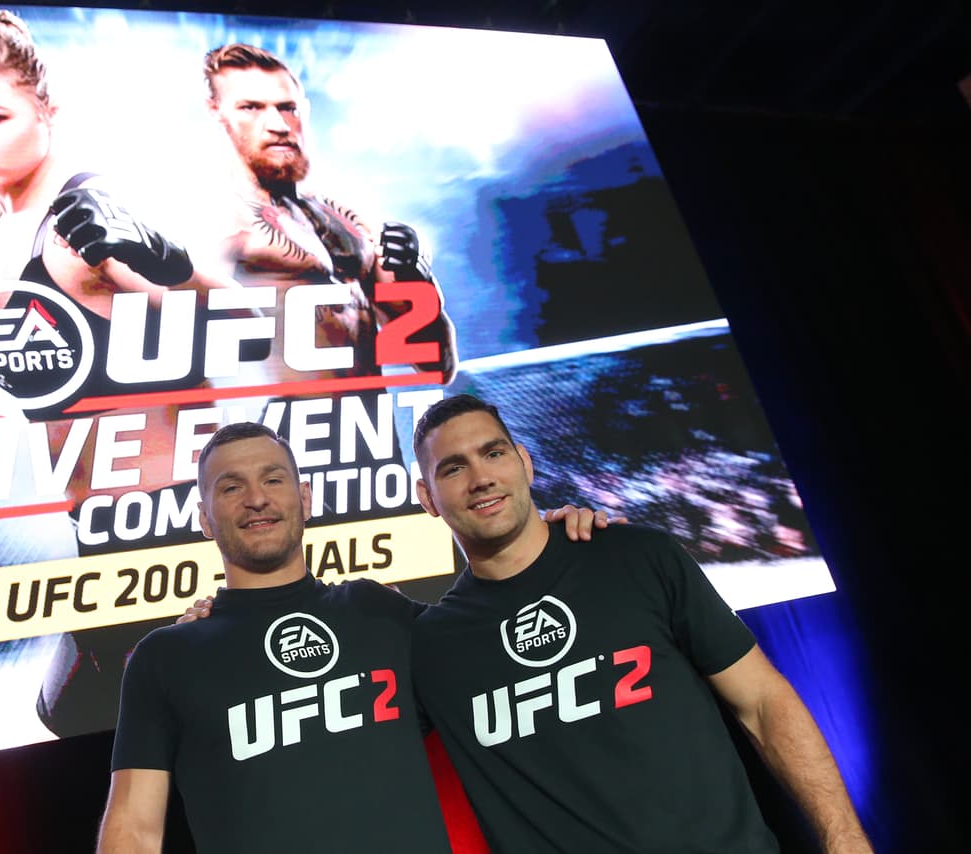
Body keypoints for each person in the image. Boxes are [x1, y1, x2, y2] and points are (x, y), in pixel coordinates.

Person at [0, 9, 241, 736]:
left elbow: (254, 331)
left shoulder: (86, 216)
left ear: (46, 111)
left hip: (191, 542)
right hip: (109, 548)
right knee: (81, 734)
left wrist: (177, 269)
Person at [96, 422, 610, 852]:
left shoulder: (376, 610)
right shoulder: (166, 656)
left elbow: (513, 647)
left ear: (305, 499)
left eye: (273, 480)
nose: (256, 499)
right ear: (205, 518)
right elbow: (134, 830)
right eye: (230, 488)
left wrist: (556, 546)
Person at [409, 393, 874, 853]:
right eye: (453, 468)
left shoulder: (639, 557)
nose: (481, 478)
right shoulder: (431, 646)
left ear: (525, 462)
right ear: (427, 497)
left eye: (493, 453)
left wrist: (846, 841)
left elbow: (763, 703)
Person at [198, 43, 456, 504]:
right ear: (215, 115)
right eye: (251, 107)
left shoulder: (340, 219)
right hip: (285, 458)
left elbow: (436, 363)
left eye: (287, 107)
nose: (278, 124)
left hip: (372, 442)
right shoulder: (215, 219)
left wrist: (419, 279)